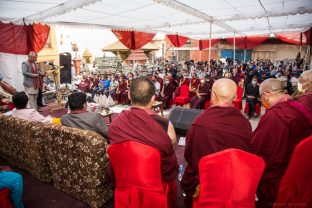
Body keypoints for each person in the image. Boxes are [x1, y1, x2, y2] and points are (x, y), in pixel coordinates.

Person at [182, 78, 252, 208]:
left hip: (206, 182)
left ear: (213, 95)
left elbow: (189, 155)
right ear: (236, 96)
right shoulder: (244, 123)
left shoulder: (201, 122)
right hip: (234, 181)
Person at [109, 76, 178, 207]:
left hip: (126, 178)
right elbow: (171, 149)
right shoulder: (165, 125)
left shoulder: (115, 124)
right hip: (156, 182)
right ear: (153, 99)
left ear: (129, 95)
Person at [251, 78, 312, 208]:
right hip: (300, 172)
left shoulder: (274, 116)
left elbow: (261, 151)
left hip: (279, 176)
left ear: (266, 95)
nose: (262, 103)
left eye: (261, 99)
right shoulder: (298, 106)